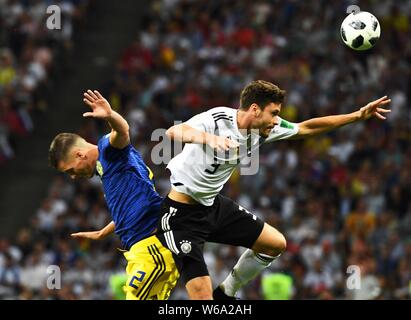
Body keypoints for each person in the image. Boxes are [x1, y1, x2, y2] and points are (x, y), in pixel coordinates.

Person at [159, 80, 391, 299]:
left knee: (275, 244)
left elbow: (306, 128)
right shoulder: (219, 119)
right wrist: (208, 139)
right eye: (274, 113)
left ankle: (227, 293)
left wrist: (357, 115)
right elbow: (173, 132)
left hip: (212, 206)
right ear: (255, 109)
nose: (276, 120)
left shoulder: (267, 129)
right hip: (182, 213)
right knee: (202, 296)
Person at [48, 90, 179, 300]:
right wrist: (103, 231)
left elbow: (123, 132)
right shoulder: (109, 170)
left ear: (80, 155)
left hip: (151, 244)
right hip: (141, 248)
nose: (73, 177)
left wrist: (110, 116)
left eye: (71, 170)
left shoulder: (108, 151)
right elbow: (132, 205)